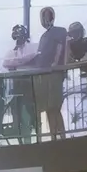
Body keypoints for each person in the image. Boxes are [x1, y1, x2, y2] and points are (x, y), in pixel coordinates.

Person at [30, 7, 68, 139]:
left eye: (47, 16)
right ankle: (53, 137)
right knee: (49, 108)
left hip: (54, 73)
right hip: (44, 75)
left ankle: (62, 137)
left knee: (54, 106)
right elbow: (40, 55)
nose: (45, 20)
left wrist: (55, 64)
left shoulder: (59, 31)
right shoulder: (44, 36)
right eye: (43, 17)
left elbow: (60, 47)